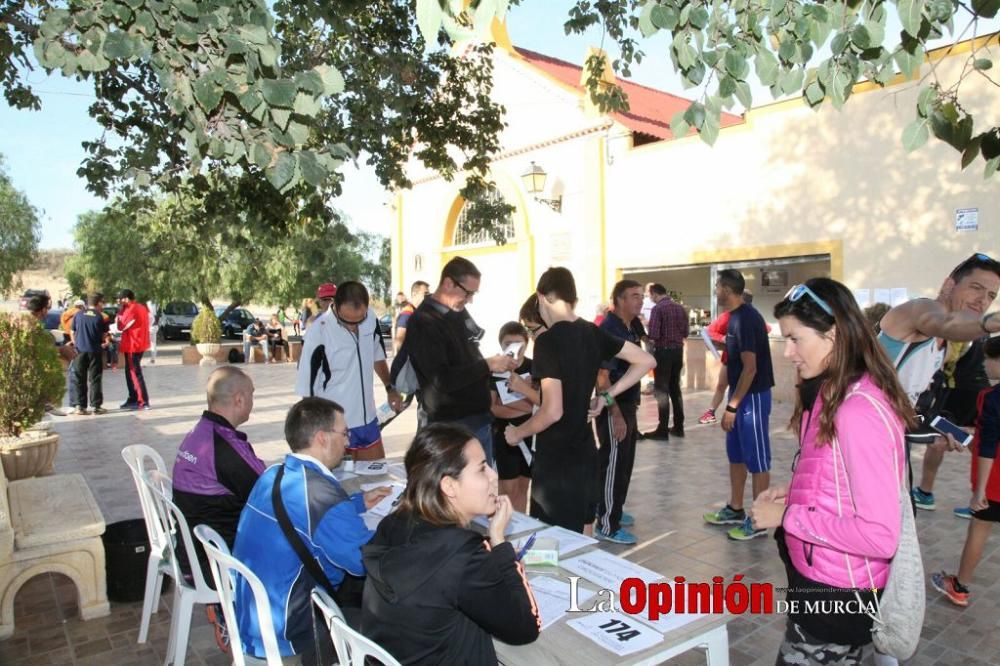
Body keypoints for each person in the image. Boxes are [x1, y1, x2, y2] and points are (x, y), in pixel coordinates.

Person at [750, 278, 914, 664]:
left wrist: (788, 517)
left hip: (839, 595)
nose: (788, 352)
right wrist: (794, 494)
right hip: (822, 578)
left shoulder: (857, 410)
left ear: (835, 335)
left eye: (796, 339)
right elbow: (839, 482)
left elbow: (879, 537)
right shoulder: (830, 393)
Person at [362, 423, 540, 664]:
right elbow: (525, 627)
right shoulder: (461, 554)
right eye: (481, 469)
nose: (493, 475)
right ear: (449, 486)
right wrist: (499, 542)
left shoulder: (394, 523)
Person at [233, 398, 391, 662]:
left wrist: (358, 503)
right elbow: (365, 560)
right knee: (393, 621)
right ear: (322, 438)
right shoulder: (321, 496)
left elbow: (306, 516)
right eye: (344, 433)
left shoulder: (273, 474)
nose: (348, 442)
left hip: (252, 614)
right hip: (291, 628)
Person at [504, 268, 655, 534]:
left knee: (553, 549)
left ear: (542, 297)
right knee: (584, 540)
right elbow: (645, 361)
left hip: (556, 464)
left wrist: (517, 433)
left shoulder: (547, 342)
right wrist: (606, 396)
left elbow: (551, 411)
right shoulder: (592, 332)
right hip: (586, 456)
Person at [877, 252, 1000, 510]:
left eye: (991, 296)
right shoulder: (919, 310)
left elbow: (913, 406)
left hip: (889, 443)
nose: (982, 300)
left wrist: (941, 427)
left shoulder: (945, 345)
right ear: (948, 285)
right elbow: (943, 323)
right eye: (976, 288)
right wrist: (991, 324)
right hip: (860, 442)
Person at [172, 367, 264, 651]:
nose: (252, 401)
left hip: (193, 546)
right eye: (251, 395)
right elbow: (264, 495)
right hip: (212, 558)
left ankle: (224, 606)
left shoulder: (202, 433)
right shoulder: (222, 446)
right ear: (238, 399)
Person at [405, 257, 518, 465]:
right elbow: (441, 379)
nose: (470, 300)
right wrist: (487, 365)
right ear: (448, 283)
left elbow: (468, 361)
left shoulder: (456, 314)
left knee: (484, 489)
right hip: (451, 428)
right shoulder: (424, 322)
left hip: (477, 420)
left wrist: (495, 365)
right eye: (468, 293)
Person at [703, 269, 775, 541]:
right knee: (736, 455)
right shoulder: (733, 320)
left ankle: (759, 521)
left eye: (717, 287)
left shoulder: (746, 320)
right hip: (740, 394)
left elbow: (751, 369)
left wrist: (731, 407)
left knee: (757, 460)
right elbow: (741, 357)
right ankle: (735, 508)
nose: (715, 292)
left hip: (752, 397)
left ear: (727, 290)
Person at [295, 281, 402, 461]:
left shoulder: (371, 320)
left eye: (359, 320)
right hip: (335, 428)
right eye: (347, 322)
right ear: (334, 305)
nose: (354, 327)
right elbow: (308, 389)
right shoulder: (318, 332)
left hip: (368, 421)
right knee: (341, 487)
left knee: (377, 479)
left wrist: (390, 388)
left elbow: (377, 357)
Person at [931, 335, 1000, 606]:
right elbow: (982, 438)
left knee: (979, 529)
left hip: (993, 483)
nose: (984, 364)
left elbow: (989, 447)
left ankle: (959, 586)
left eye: (989, 359)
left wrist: (980, 490)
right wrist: (954, 432)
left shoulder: (992, 397)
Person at [594, 280, 648, 544]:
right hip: (612, 406)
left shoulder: (632, 325)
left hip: (629, 403)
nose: (640, 301)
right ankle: (606, 524)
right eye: (634, 296)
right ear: (619, 300)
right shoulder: (609, 330)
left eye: (641, 296)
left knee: (625, 463)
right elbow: (601, 378)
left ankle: (614, 508)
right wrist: (614, 413)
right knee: (613, 464)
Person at [698, 291, 769, 425]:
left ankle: (734, 411)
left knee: (740, 387)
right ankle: (711, 412)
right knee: (722, 386)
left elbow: (767, 329)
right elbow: (710, 331)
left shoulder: (752, 317)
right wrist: (725, 339)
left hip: (746, 362)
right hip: (730, 358)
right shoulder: (727, 316)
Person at [490, 321, 538, 513]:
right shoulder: (495, 369)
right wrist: (528, 406)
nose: (514, 349)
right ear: (501, 345)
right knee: (507, 489)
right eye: (509, 344)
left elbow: (541, 401)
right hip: (504, 435)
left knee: (523, 485)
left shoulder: (535, 367)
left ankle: (519, 531)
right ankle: (502, 531)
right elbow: (493, 408)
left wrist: (527, 404)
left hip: (530, 433)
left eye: (519, 344)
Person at [644, 282, 688, 440]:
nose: (651, 299)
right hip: (678, 351)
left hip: (663, 353)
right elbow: (685, 332)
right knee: (675, 389)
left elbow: (654, 335)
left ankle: (662, 429)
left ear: (655, 294)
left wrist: (646, 329)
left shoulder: (658, 309)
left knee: (662, 391)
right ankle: (678, 427)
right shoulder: (680, 308)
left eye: (650, 296)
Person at [70, 293, 109, 415]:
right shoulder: (99, 317)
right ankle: (96, 406)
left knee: (79, 378)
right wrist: (103, 343)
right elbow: (104, 335)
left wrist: (75, 343)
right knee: (95, 378)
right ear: (98, 303)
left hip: (79, 351)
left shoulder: (78, 314)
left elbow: (72, 332)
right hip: (94, 351)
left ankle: (79, 406)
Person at [117, 289, 152, 410]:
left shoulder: (130, 309)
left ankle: (143, 400)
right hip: (140, 344)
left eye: (120, 299)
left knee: (135, 373)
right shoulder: (142, 307)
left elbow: (120, 325)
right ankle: (132, 398)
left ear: (126, 298)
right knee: (129, 372)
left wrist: (119, 313)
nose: (119, 301)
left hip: (133, 345)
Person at [393, 280, 429, 353]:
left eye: (428, 294)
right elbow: (399, 342)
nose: (427, 297)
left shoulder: (417, 311)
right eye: (425, 294)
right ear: (414, 294)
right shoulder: (407, 313)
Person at [61, 300, 85, 409]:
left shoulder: (66, 314)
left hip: (67, 341)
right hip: (76, 344)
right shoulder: (80, 315)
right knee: (77, 374)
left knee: (73, 373)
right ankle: (77, 404)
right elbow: (74, 331)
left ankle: (73, 403)